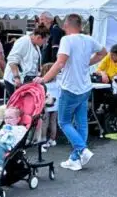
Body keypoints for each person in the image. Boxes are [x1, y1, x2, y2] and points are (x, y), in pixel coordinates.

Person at [34, 14, 107, 171]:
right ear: (80, 26)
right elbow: (103, 53)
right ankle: (75, 158)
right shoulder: (88, 39)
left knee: (64, 122)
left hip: (70, 88)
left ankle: (82, 150)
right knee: (81, 123)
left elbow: (60, 62)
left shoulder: (66, 40)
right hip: (85, 87)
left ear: (66, 25)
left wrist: (44, 78)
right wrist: (87, 63)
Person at [3, 25, 49, 93]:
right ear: (38, 37)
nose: (45, 43)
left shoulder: (36, 45)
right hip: (16, 80)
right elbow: (12, 60)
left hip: (27, 79)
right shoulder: (23, 41)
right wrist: (16, 77)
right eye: (44, 40)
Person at [39, 62, 60, 153]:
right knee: (53, 122)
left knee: (44, 123)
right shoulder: (58, 82)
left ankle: (43, 140)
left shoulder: (43, 84)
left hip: (46, 105)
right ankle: (52, 139)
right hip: (56, 105)